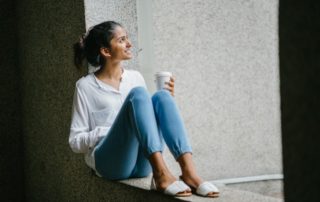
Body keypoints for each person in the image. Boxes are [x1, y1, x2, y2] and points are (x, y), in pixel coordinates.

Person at [69, 21, 219, 198]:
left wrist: (168, 102)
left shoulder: (135, 77)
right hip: (111, 164)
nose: (129, 44)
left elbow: (145, 123)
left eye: (127, 38)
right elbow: (75, 142)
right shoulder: (86, 86)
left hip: (142, 164)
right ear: (106, 51)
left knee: (162, 97)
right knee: (139, 94)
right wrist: (107, 132)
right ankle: (161, 173)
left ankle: (189, 172)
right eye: (122, 40)